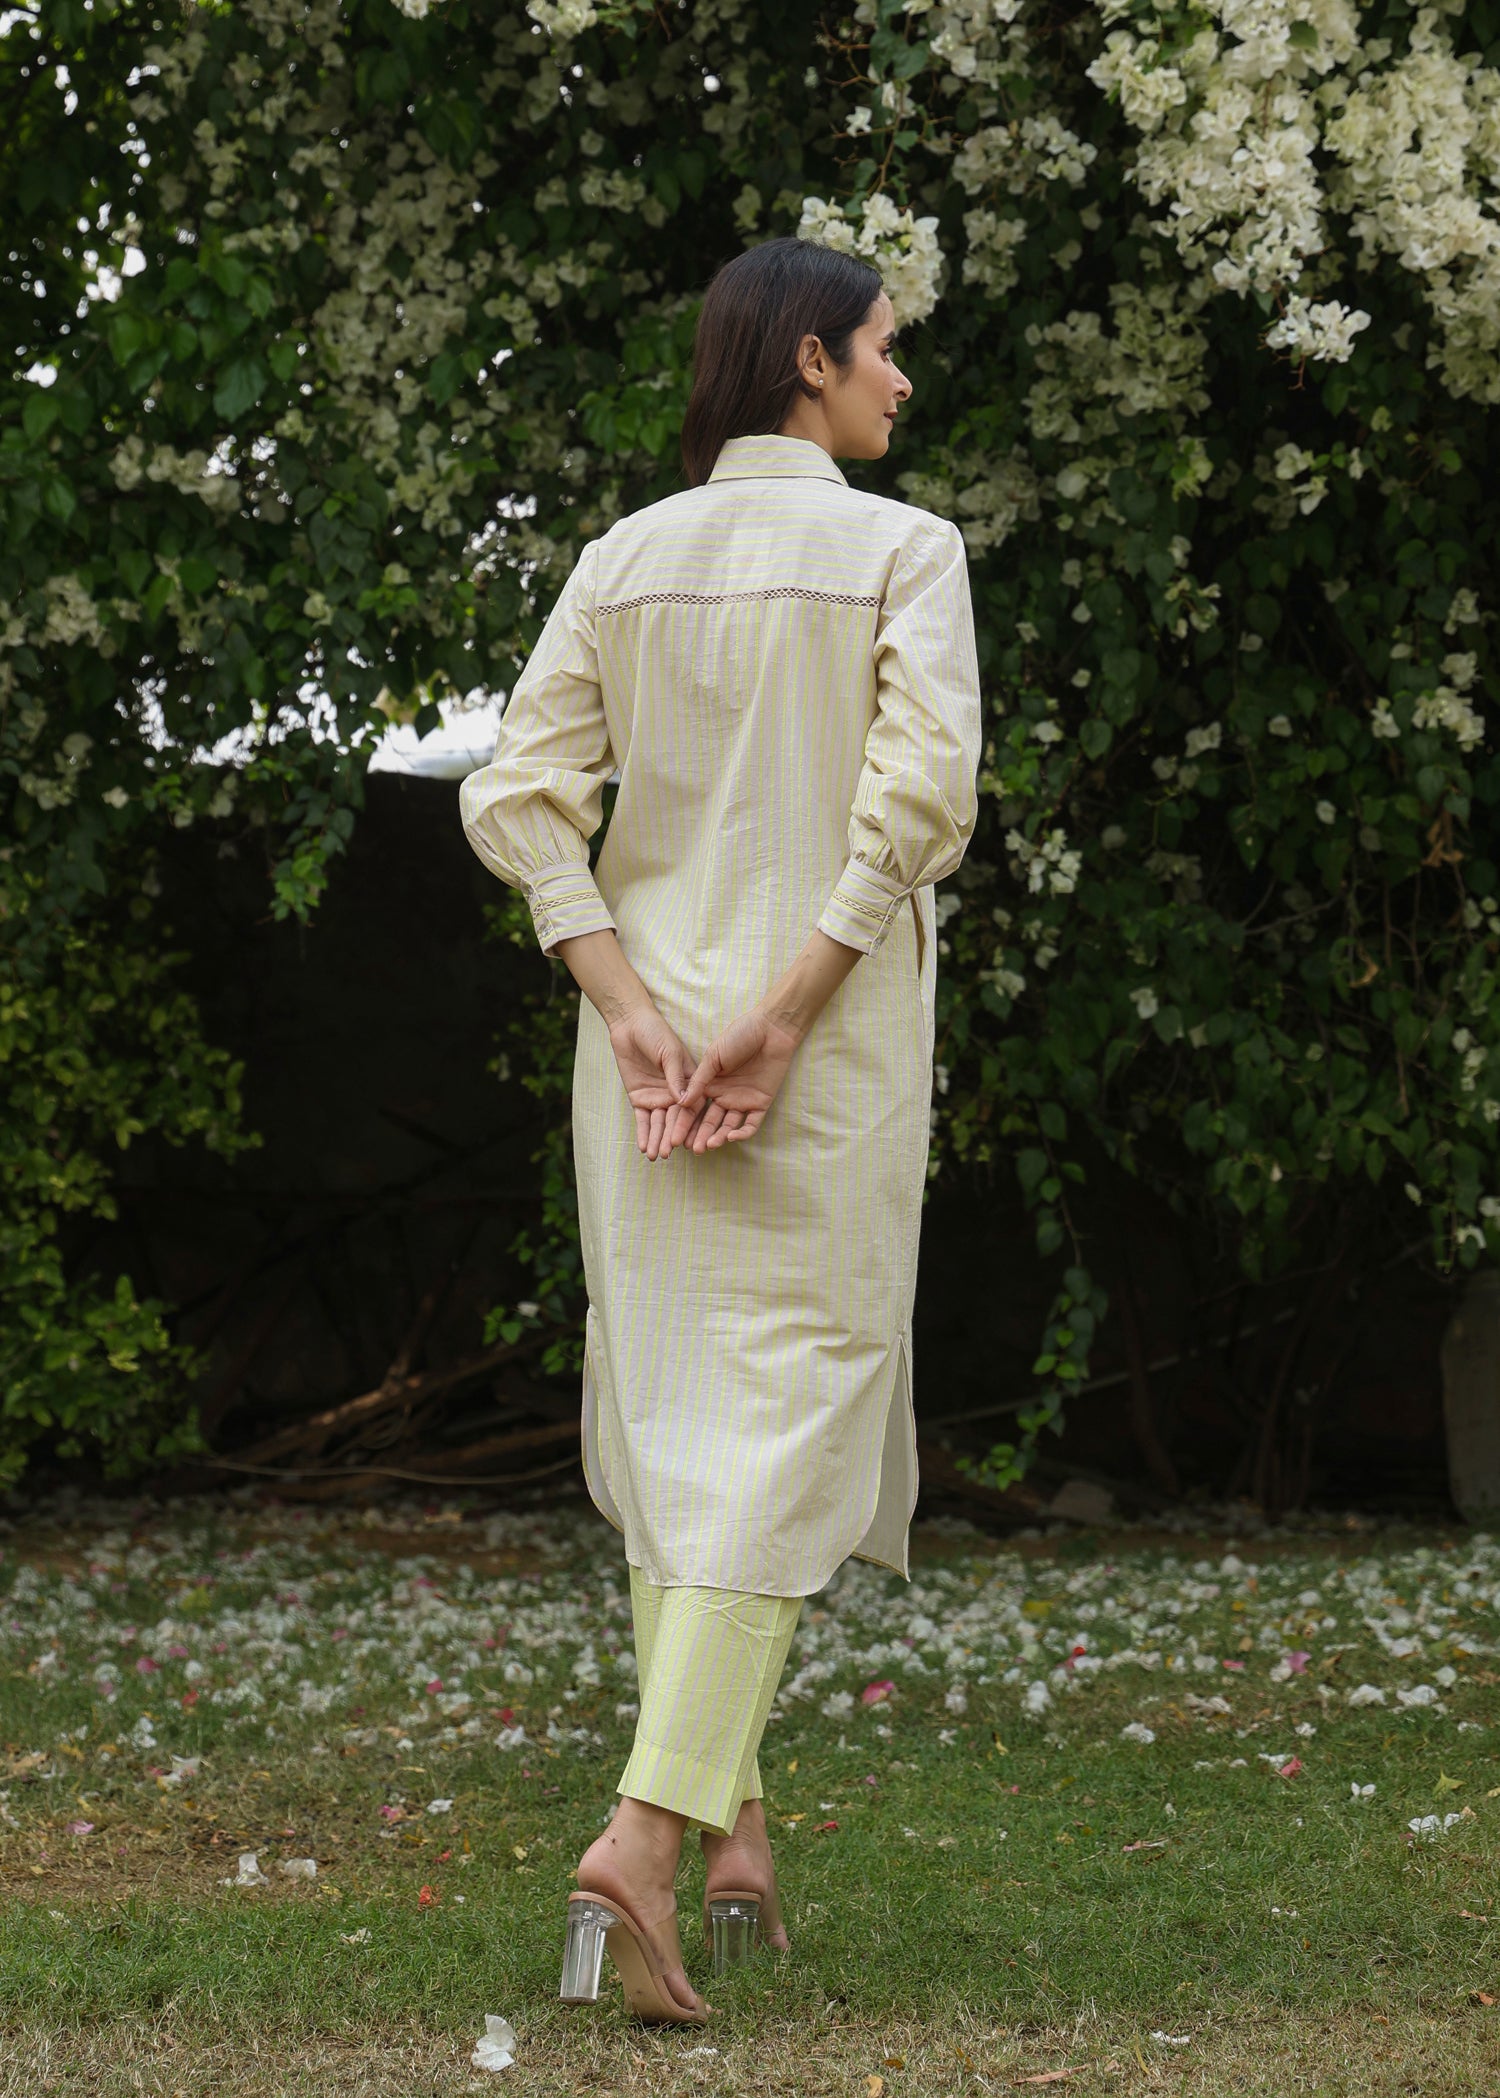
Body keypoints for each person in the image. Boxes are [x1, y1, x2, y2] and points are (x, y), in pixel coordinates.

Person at [459, 234, 982, 2023]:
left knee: (679, 1421)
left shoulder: (623, 559)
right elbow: (919, 801)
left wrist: (624, 1002)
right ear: (810, 360)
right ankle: (646, 1835)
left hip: (648, 1058)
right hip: (811, 1054)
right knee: (792, 1418)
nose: (901, 376)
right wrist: (788, 1008)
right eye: (885, 346)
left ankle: (734, 1820)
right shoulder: (906, 551)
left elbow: (519, 797)